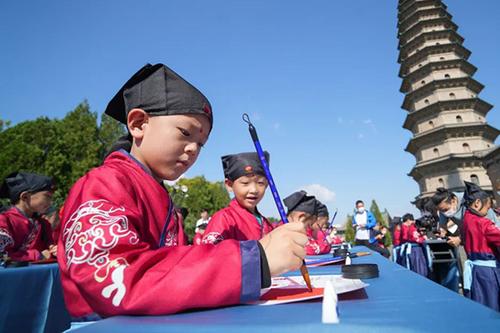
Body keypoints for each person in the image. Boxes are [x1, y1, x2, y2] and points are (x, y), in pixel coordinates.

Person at [57, 63, 308, 320]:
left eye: (201, 143)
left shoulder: (160, 196)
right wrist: (254, 262)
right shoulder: (102, 185)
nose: (192, 149)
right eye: (185, 133)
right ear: (138, 123)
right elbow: (117, 278)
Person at [200, 152, 275, 244]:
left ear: (267, 185)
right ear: (229, 185)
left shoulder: (267, 224)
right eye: (245, 183)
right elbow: (211, 254)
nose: (254, 190)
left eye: (260, 183)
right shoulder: (224, 219)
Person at [0, 172, 57, 261]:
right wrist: (37, 255)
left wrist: (55, 251)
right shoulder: (4, 220)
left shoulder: (44, 224)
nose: (51, 202)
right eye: (47, 196)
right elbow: (3, 254)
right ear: (25, 197)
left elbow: (48, 250)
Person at [461, 181, 500, 311]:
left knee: (480, 304)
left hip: (476, 271)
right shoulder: (484, 223)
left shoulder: (466, 218)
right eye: (487, 208)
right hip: (488, 273)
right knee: (492, 306)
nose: (488, 211)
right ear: (477, 203)